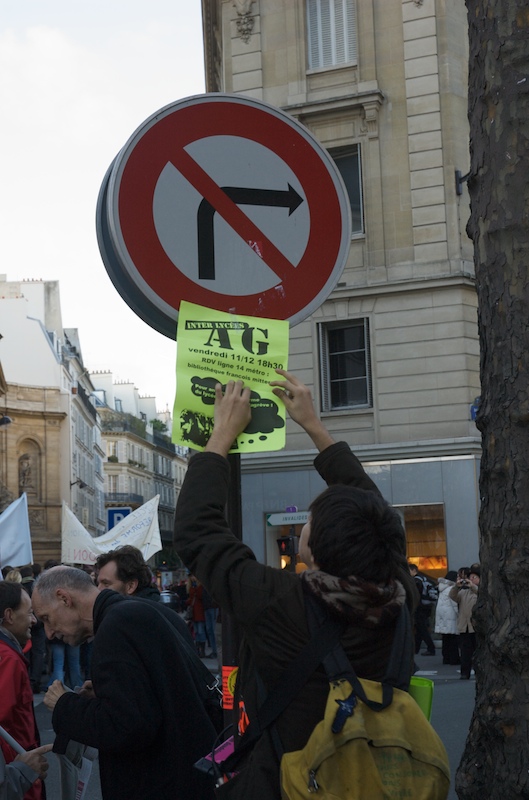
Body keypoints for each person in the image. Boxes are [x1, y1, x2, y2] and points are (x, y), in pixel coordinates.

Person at [173, 370, 417, 799]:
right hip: (376, 780)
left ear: (315, 550)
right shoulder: (401, 593)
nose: (303, 525)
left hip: (285, 784)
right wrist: (315, 427)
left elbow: (198, 532)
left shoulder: (283, 604)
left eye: (309, 521)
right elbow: (378, 517)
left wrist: (220, 438)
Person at [32, 566, 216, 800]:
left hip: (160, 784)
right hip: (190, 776)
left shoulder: (115, 626)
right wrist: (104, 695)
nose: (48, 633)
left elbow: (127, 726)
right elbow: (157, 696)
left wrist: (64, 704)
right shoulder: (145, 610)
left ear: (64, 598)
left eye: (47, 618)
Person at [0, 581, 45, 800]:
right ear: (9, 615)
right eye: (28, 613)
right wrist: (22, 771)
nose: (34, 620)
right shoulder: (8, 658)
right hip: (18, 776)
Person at [94, 545, 193, 644]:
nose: (98, 590)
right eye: (97, 583)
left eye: (106, 583)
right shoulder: (152, 612)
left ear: (131, 586)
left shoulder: (137, 622)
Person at [19, 566, 47, 694]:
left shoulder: (20, 589)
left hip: (24, 625)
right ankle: (35, 681)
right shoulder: (38, 588)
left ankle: (28, 679)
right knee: (38, 654)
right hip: (39, 627)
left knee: (27, 653)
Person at [450, 565, 480, 679]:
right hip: (464, 626)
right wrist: (456, 586)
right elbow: (452, 596)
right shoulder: (463, 592)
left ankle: (479, 672)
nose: (471, 580)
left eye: (474, 577)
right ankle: (464, 672)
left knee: (478, 652)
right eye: (470, 578)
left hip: (476, 627)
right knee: (465, 653)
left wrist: (473, 587)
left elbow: (481, 594)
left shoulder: (480, 591)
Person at [408, 563, 437, 655]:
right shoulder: (424, 579)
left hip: (420, 607)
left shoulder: (416, 580)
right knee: (420, 628)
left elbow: (415, 595)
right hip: (426, 606)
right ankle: (416, 648)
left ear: (413, 570)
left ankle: (430, 647)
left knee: (422, 628)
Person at [434, 570, 460, 665]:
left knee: (446, 638)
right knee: (453, 639)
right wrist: (459, 614)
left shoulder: (442, 588)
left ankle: (446, 658)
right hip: (451, 616)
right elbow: (454, 604)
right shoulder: (452, 588)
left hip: (442, 616)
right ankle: (454, 659)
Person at [186, 576, 207, 657]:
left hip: (199, 611)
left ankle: (202, 650)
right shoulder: (191, 587)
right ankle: (198, 649)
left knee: (200, 631)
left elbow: (199, 595)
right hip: (194, 612)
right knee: (196, 631)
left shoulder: (199, 587)